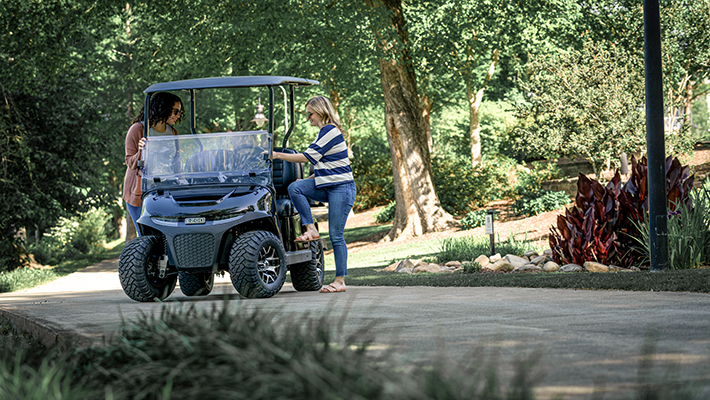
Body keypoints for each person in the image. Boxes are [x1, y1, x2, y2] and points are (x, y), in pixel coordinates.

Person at [272, 96, 356, 293]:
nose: (308, 117)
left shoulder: (329, 130)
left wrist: (277, 155)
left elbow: (307, 157)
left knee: (336, 235)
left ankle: (340, 281)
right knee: (296, 187)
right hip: (328, 186)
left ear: (321, 112)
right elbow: (324, 164)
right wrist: (308, 178)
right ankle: (311, 229)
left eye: (310, 114)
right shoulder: (322, 133)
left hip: (342, 189)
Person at [122, 92, 184, 236]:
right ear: (163, 108)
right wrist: (141, 151)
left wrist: (180, 181)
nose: (178, 115)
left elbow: (176, 161)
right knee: (147, 236)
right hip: (141, 193)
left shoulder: (173, 132)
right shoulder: (138, 130)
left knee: (168, 235)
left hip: (165, 191)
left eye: (180, 112)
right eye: (175, 111)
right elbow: (130, 162)